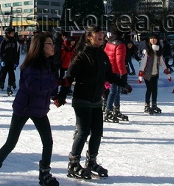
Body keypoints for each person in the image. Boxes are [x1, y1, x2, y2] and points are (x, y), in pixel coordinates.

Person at [0, 32, 60, 186]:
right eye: (49, 43)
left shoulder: (49, 63)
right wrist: (55, 82)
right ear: (40, 46)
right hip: (24, 107)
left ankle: (45, 174)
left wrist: (56, 95)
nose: (53, 46)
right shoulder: (31, 65)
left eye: (52, 43)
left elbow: (48, 87)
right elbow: (35, 86)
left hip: (39, 109)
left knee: (48, 142)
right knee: (11, 143)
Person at [55, 25, 132, 180]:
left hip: (96, 100)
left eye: (102, 33)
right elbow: (69, 77)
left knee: (97, 132)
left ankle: (91, 161)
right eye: (98, 33)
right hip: (82, 99)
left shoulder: (102, 55)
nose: (101, 36)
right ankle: (74, 162)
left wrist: (123, 83)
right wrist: (62, 95)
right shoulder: (82, 55)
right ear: (89, 36)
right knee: (83, 131)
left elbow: (109, 74)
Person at [138, 33, 171, 114]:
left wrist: (167, 72)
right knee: (149, 89)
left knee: (155, 90)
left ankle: (154, 104)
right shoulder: (147, 50)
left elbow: (162, 62)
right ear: (149, 40)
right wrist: (140, 74)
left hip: (155, 73)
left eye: (155, 39)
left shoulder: (159, 50)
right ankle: (147, 105)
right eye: (152, 39)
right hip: (147, 74)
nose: (153, 40)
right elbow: (143, 62)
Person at [103, 30, 129, 122]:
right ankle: (108, 111)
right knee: (114, 91)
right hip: (116, 71)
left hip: (109, 70)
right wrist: (123, 73)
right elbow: (120, 60)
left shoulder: (109, 42)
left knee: (116, 91)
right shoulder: (120, 44)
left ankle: (115, 109)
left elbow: (105, 56)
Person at [0, 27, 20, 96]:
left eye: (13, 33)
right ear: (8, 34)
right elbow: (0, 52)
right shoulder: (4, 41)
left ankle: (9, 87)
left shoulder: (14, 42)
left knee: (11, 75)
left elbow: (16, 53)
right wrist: (2, 60)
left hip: (11, 61)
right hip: (5, 61)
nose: (13, 34)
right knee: (2, 75)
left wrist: (16, 62)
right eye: (11, 33)